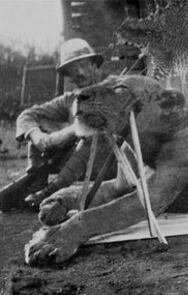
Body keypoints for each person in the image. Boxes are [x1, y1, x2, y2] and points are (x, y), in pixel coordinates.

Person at [0, 38, 117, 212]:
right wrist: (38, 137)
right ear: (67, 76)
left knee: (90, 136)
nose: (79, 72)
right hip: (76, 168)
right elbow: (27, 115)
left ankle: (49, 191)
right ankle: (36, 182)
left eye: (84, 65)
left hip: (109, 164)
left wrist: (70, 132)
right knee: (37, 132)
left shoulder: (113, 92)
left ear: (94, 65)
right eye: (72, 69)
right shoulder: (69, 100)